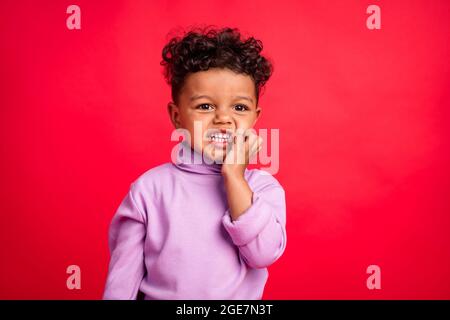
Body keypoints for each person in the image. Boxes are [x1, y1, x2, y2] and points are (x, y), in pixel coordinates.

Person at [103, 26, 287, 300]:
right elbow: (122, 281)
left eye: (239, 108)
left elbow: (262, 254)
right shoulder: (148, 190)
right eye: (205, 106)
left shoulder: (263, 189)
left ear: (255, 117)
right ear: (177, 117)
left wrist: (234, 177)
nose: (223, 119)